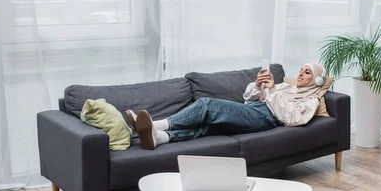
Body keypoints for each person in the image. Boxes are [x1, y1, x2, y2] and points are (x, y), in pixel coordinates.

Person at [126, 62, 326, 149]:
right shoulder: (285, 86)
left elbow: (291, 118)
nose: (300, 73)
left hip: (266, 118)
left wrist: (272, 91)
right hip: (254, 110)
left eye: (307, 72)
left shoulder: (311, 100)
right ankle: (160, 138)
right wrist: (258, 85)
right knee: (208, 127)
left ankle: (157, 125)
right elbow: (248, 99)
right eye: (300, 70)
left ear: (317, 80)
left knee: (206, 105)